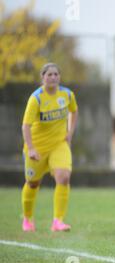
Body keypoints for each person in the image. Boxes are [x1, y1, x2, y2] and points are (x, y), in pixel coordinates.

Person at [21, 63, 78, 232]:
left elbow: (74, 111)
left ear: (60, 77)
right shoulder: (36, 98)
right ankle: (27, 219)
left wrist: (70, 132)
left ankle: (58, 221)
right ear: (43, 78)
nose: (53, 77)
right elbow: (25, 126)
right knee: (32, 183)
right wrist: (31, 148)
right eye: (49, 75)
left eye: (56, 74)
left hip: (59, 144)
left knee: (64, 177)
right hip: (37, 148)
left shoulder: (67, 95)